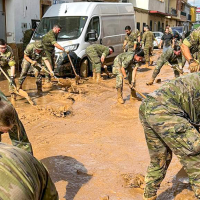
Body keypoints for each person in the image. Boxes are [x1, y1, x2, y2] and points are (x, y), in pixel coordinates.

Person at [139, 72, 200, 200]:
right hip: (165, 110)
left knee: (160, 158)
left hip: (148, 106)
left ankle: (149, 196)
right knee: (196, 155)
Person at [0, 89, 33, 154]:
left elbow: (22, 142)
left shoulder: (9, 111)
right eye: (3, 130)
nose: (6, 132)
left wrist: (27, 161)